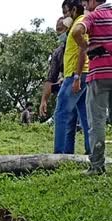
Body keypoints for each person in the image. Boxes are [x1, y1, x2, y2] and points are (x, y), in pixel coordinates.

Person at [73, 0, 112, 174]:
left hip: (100, 74)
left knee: (97, 121)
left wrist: (86, 46)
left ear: (93, 1)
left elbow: (76, 31)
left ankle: (97, 166)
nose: (84, 4)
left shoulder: (94, 16)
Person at [54, 0, 90, 155]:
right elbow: (59, 28)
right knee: (85, 116)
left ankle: (59, 154)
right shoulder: (79, 23)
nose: (64, 16)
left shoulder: (79, 25)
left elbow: (83, 50)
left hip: (76, 74)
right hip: (83, 74)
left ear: (74, 9)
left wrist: (76, 76)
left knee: (61, 112)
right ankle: (90, 152)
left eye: (66, 12)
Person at [40, 3, 74, 117]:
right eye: (57, 30)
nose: (58, 33)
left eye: (60, 29)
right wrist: (44, 100)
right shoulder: (58, 52)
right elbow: (50, 78)